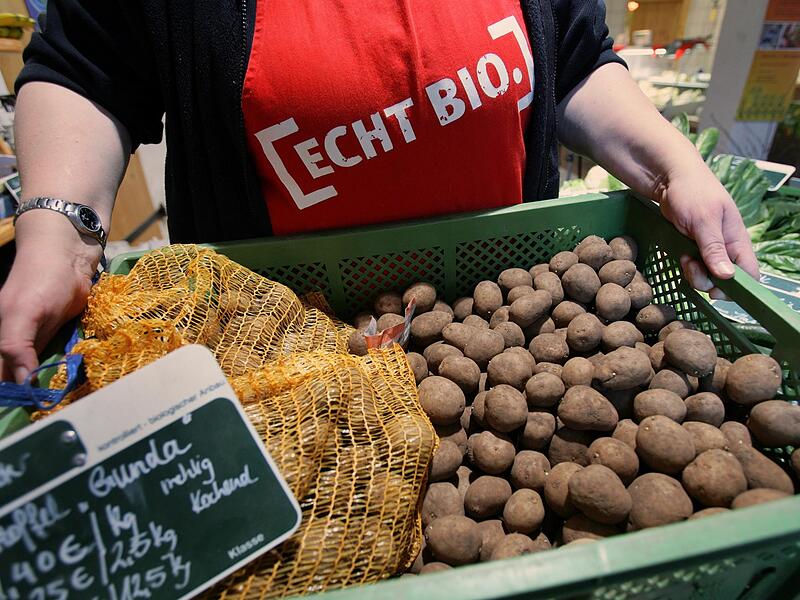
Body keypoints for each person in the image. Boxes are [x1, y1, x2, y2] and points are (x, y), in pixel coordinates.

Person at [0, 0, 758, 383]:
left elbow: (576, 55)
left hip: (508, 306)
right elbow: (85, 67)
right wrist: (58, 226)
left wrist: (671, 166)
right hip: (282, 345)